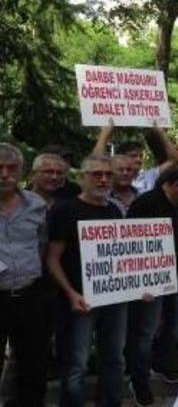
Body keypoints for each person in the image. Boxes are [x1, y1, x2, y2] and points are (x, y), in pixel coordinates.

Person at [45, 155, 126, 407]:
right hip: (79, 301)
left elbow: (124, 255)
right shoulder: (65, 210)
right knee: (76, 364)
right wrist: (71, 294)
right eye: (96, 174)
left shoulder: (114, 210)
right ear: (82, 178)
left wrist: (141, 286)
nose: (103, 179)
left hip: (114, 298)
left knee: (114, 358)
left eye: (108, 174)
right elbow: (51, 259)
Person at [126, 165, 178, 405]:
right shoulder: (145, 204)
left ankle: (162, 362)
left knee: (176, 322)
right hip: (151, 277)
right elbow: (130, 242)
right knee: (146, 329)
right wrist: (140, 282)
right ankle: (139, 379)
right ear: (176, 185)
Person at [0, 143, 54, 407]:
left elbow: (42, 245)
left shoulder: (36, 205)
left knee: (33, 363)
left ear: (21, 172)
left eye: (11, 168)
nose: (5, 174)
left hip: (29, 295)